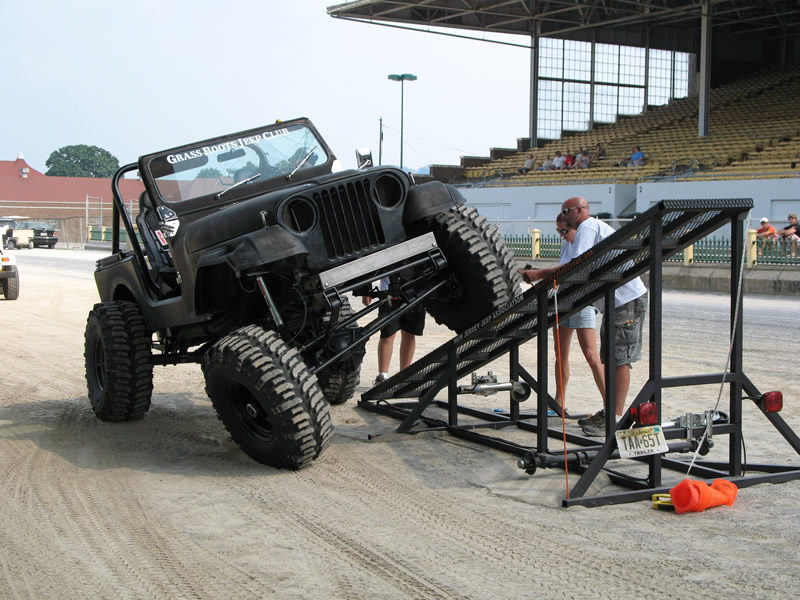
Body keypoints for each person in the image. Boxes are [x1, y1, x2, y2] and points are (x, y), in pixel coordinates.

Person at [518, 196, 648, 436]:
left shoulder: (588, 226)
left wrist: (540, 275)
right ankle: (610, 412)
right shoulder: (579, 234)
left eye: (565, 212)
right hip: (610, 301)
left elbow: (579, 265)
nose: (563, 217)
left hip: (624, 299)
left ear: (579, 211)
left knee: (618, 358)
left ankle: (615, 417)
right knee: (609, 356)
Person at [551, 214, 605, 413]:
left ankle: (610, 405)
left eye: (564, 231)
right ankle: (559, 400)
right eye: (559, 232)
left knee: (591, 355)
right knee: (560, 353)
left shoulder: (586, 242)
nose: (562, 235)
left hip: (582, 301)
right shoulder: (567, 245)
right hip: (564, 300)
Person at [363, 277, 426, 384]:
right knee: (387, 335)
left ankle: (405, 374)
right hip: (389, 296)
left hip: (414, 293)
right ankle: (382, 375)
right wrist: (366, 290)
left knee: (409, 334)